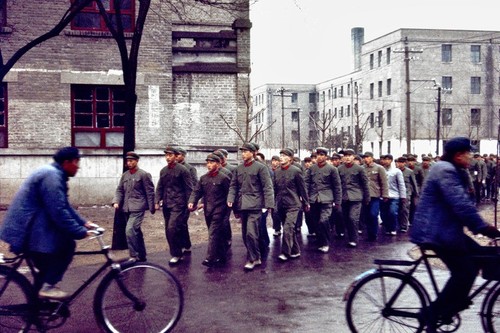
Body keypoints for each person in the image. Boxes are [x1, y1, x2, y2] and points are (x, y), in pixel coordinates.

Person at [410, 137, 500, 333]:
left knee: (478, 257)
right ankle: (434, 312)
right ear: (458, 155)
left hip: (445, 229)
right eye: (468, 153)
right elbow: (460, 204)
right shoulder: (445, 170)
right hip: (436, 232)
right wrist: (484, 228)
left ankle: (453, 304)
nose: (470, 156)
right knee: (464, 271)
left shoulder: (451, 168)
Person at [0, 147, 96, 300]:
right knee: (67, 246)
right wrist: (79, 231)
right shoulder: (51, 176)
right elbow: (58, 212)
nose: (78, 166)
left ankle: (38, 308)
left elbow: (64, 205)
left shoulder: (54, 174)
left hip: (31, 227)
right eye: (77, 162)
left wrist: (84, 223)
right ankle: (48, 288)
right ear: (66, 162)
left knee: (46, 269)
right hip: (26, 230)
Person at [227, 143, 275, 271]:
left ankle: (252, 259)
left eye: (246, 152)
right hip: (242, 205)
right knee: (244, 234)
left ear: (253, 153)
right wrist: (231, 199)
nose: (243, 154)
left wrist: (269, 205)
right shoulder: (239, 169)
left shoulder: (261, 168)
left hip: (255, 205)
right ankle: (256, 256)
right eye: (242, 152)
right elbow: (233, 186)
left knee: (251, 233)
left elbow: (267, 187)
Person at [188, 153, 231, 267]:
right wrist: (192, 201)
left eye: (211, 163)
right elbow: (197, 191)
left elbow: (230, 194)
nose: (208, 165)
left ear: (218, 164)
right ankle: (221, 255)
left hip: (220, 209)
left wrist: (230, 210)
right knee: (217, 233)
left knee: (213, 233)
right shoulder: (204, 178)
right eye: (207, 163)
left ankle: (210, 258)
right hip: (208, 209)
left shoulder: (223, 178)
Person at [112, 151, 155, 262]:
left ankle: (133, 256)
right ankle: (142, 255)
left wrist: (152, 207)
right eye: (128, 161)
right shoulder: (125, 175)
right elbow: (120, 190)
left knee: (130, 230)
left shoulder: (143, 174)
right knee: (136, 232)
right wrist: (116, 201)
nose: (129, 163)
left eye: (131, 161)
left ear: (136, 161)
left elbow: (150, 191)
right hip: (126, 208)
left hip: (138, 207)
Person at [155, 146, 193, 265]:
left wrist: (190, 203)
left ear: (176, 156)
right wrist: (157, 201)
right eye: (166, 155)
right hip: (167, 204)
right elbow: (160, 187)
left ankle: (176, 254)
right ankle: (179, 249)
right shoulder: (164, 171)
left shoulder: (183, 170)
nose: (167, 157)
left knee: (172, 228)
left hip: (179, 204)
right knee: (169, 229)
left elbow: (189, 188)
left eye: (170, 155)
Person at [274, 149, 309, 261]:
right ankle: (295, 250)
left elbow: (302, 188)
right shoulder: (277, 171)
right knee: (289, 229)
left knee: (288, 228)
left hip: (293, 204)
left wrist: (306, 202)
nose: (281, 157)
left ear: (290, 158)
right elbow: (275, 189)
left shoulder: (296, 171)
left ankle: (285, 252)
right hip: (281, 204)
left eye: (284, 156)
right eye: (280, 155)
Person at [305, 147, 342, 253]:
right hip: (314, 199)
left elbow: (337, 186)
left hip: (327, 199)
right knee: (316, 222)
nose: (319, 157)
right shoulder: (312, 169)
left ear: (326, 157)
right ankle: (321, 240)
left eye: (322, 155)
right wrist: (306, 198)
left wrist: (337, 201)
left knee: (323, 220)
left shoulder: (332, 169)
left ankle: (326, 243)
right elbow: (306, 183)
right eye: (317, 155)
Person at [337, 149, 370, 247]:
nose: (347, 157)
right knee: (346, 218)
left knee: (353, 218)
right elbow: (337, 184)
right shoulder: (339, 169)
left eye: (349, 155)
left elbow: (365, 184)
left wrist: (367, 198)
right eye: (345, 155)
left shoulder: (359, 169)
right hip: (344, 197)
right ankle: (350, 236)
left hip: (356, 197)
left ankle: (354, 239)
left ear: (353, 157)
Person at [362, 151, 389, 241]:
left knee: (373, 214)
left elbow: (384, 182)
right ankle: (370, 233)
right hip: (364, 196)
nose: (366, 159)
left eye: (368, 157)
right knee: (366, 216)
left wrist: (385, 195)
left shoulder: (379, 168)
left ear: (372, 158)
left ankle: (374, 234)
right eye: (365, 157)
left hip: (375, 195)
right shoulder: (361, 168)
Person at [175, 147, 197, 253]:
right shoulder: (172, 168)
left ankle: (185, 245)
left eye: (178, 155)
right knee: (177, 223)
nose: (176, 156)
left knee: (182, 222)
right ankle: (183, 244)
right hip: (175, 200)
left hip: (186, 199)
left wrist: (193, 200)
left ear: (183, 156)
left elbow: (194, 184)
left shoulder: (190, 168)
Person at [379, 154, 406, 235]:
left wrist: (403, 196)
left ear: (391, 160)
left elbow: (401, 184)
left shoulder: (396, 171)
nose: (385, 161)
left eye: (388, 159)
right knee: (383, 213)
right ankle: (387, 228)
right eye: (384, 159)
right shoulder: (380, 170)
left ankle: (393, 228)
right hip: (383, 196)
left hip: (394, 195)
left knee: (392, 212)